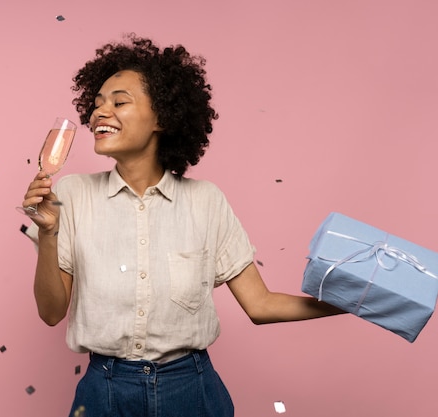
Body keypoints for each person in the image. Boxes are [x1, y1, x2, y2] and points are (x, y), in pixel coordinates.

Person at [21, 35, 345, 417]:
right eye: (97, 105)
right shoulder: (71, 195)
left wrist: (351, 303)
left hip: (192, 391)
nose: (98, 114)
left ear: (162, 118)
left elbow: (260, 305)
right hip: (104, 392)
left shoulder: (206, 201)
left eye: (119, 102)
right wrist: (48, 232)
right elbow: (51, 312)